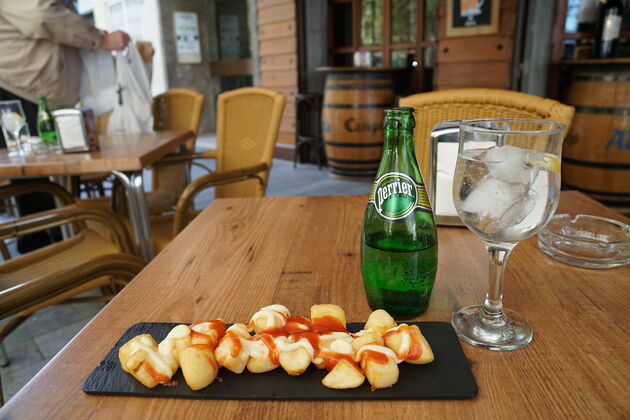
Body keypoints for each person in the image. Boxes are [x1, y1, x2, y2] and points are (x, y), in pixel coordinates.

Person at [0, 0, 130, 252]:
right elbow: (40, 13)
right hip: (22, 85)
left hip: (38, 87)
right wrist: (98, 39)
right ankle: (42, 251)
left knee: (43, 172)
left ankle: (56, 239)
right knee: (32, 171)